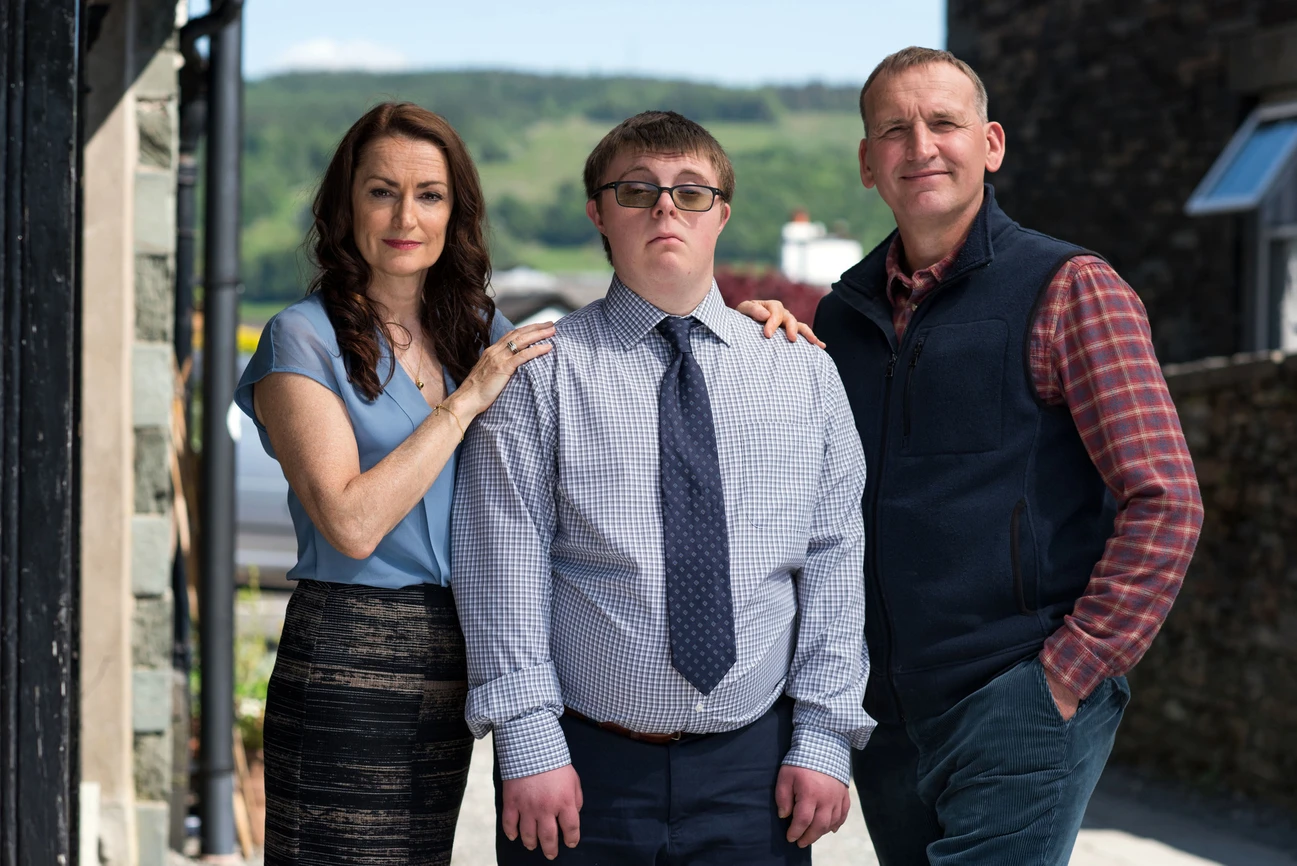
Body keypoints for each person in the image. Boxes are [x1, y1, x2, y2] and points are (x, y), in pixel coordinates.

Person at [236, 101, 818, 866]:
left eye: (429, 194)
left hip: (455, 654)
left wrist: (733, 325)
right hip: (354, 650)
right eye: (381, 191)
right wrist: (462, 403)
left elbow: (620, 346)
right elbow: (351, 523)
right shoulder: (301, 338)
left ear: (455, 213)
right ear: (346, 208)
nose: (405, 216)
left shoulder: (475, 332)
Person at [813, 47, 1205, 865]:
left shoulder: (1070, 287)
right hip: (886, 719)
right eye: (894, 130)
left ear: (989, 144)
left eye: (943, 123)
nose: (920, 146)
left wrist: (1067, 673)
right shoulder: (841, 316)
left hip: (1016, 696)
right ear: (866, 162)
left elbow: (1164, 498)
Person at [451, 110, 874, 866]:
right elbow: (501, 564)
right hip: (579, 766)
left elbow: (834, 557)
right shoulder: (539, 375)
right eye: (637, 190)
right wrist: (527, 738)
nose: (665, 208)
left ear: (723, 214)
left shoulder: (803, 373)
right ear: (597, 213)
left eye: (691, 191)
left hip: (758, 769)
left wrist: (823, 733)